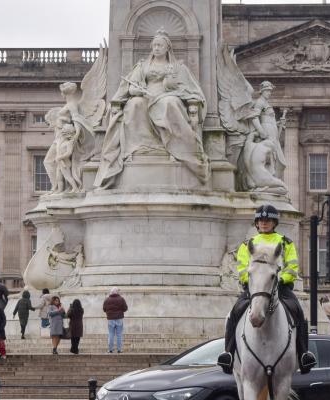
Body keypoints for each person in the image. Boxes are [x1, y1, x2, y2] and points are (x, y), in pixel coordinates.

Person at [95, 29, 209, 188]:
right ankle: (137, 148)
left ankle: (176, 148)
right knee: (134, 104)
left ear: (167, 48)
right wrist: (136, 91)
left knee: (171, 103)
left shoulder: (176, 66)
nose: (156, 48)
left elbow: (189, 88)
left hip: (169, 96)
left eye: (160, 45)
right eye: (154, 45)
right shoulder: (143, 65)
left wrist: (172, 87)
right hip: (146, 97)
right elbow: (130, 87)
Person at [217, 204, 317, 375]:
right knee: (235, 313)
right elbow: (241, 268)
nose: (264, 223)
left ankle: (303, 354)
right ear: (256, 223)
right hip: (255, 289)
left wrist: (280, 280)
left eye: (268, 220)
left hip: (280, 288)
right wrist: (250, 281)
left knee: (298, 312)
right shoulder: (248, 244)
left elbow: (292, 267)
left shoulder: (285, 243)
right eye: (261, 220)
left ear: (274, 223)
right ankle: (228, 353)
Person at [103, 288, 128, 353]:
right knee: (119, 334)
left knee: (111, 334)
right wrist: (120, 311)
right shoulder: (121, 299)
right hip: (119, 318)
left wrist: (109, 313)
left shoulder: (107, 300)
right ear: (117, 292)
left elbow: (104, 309)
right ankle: (119, 349)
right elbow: (125, 308)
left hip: (110, 319)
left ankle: (110, 349)